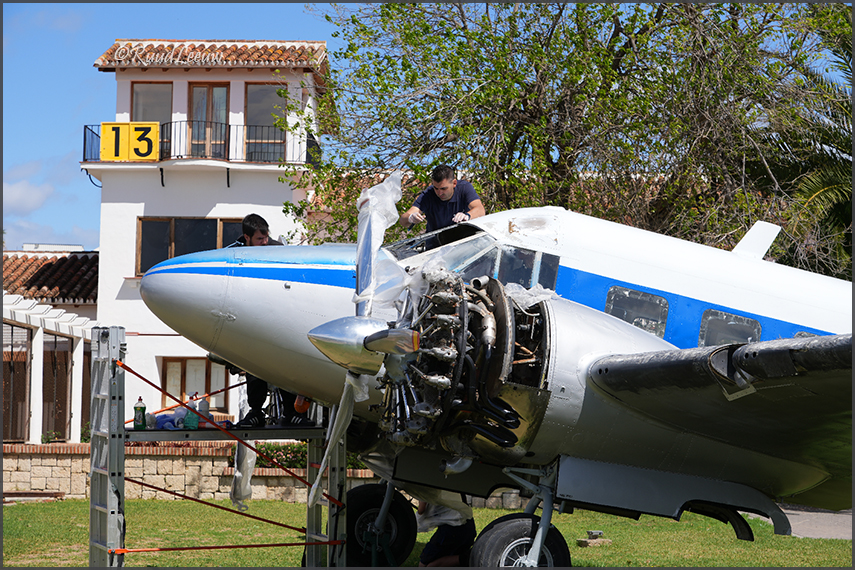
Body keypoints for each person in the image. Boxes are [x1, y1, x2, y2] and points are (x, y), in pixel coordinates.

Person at [226, 213, 311, 428]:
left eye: (266, 238)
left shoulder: (278, 251)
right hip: (249, 320)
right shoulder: (234, 253)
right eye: (259, 240)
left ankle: (291, 412)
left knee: (282, 363)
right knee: (255, 366)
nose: (264, 243)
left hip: (276, 317)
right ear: (246, 237)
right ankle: (256, 413)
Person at [400, 164, 485, 232]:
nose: (439, 193)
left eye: (444, 188)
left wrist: (467, 216)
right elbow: (403, 220)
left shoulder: (465, 188)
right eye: (436, 188)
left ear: (454, 183)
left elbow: (480, 210)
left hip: (462, 242)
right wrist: (411, 218)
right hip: (435, 245)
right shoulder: (429, 194)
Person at [417, 498, 477, 567]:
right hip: (468, 524)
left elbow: (421, 509)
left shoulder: (426, 487)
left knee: (424, 564)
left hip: (452, 528)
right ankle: (466, 558)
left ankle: (469, 558)